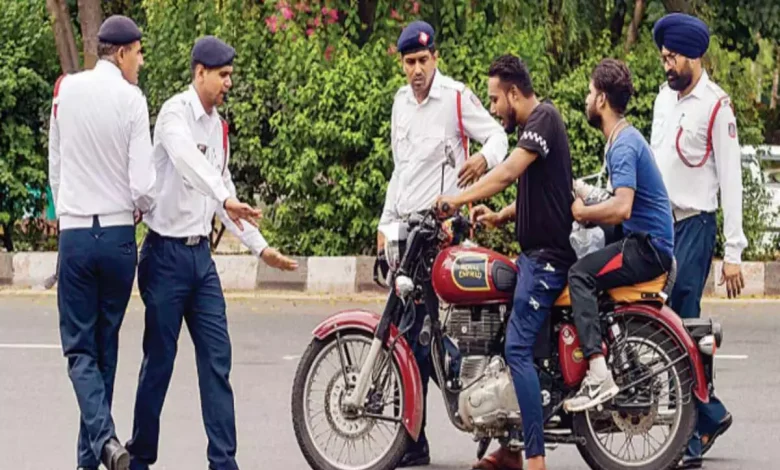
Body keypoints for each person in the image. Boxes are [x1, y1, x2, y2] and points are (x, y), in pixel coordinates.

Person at [124, 36, 298, 470]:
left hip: (201, 261)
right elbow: (188, 163)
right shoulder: (173, 114)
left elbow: (227, 194)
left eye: (230, 76)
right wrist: (223, 195)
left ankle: (224, 462)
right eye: (223, 75)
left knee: (217, 362)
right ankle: (140, 456)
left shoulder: (218, 125)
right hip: (164, 257)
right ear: (199, 72)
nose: (228, 83)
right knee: (159, 363)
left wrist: (261, 249)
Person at [435, 54, 576, 470]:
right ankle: (510, 447)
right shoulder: (538, 127)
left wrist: (457, 199)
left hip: (547, 261)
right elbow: (542, 189)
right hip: (534, 257)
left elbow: (509, 171)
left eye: (496, 99)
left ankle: (532, 459)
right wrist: (499, 215)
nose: (494, 108)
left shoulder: (543, 119)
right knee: (504, 341)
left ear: (514, 93)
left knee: (516, 349)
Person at [380, 20, 509, 467]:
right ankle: (424, 432)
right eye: (409, 62)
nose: (416, 69)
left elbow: (499, 136)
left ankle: (422, 435)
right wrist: (385, 222)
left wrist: (481, 158)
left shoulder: (455, 97)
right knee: (410, 335)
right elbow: (400, 171)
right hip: (406, 235)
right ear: (402, 64)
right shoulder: (400, 104)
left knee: (421, 336)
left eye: (423, 60)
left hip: (441, 233)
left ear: (435, 57)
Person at [48, 14, 155, 470]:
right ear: (123, 52)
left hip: (75, 233)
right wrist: (137, 209)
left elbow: (55, 162)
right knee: (104, 348)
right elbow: (144, 185)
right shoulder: (133, 101)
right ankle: (96, 457)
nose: (141, 61)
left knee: (78, 349)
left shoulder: (66, 90)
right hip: (116, 236)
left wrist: (66, 207)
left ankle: (103, 445)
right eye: (139, 53)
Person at [649, 13, 746, 469]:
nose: (667, 67)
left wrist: (733, 253)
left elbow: (732, 180)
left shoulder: (717, 106)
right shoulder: (662, 101)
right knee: (663, 325)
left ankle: (690, 432)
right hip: (659, 226)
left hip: (694, 225)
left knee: (680, 326)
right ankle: (709, 413)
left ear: (695, 56)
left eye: (673, 59)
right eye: (664, 58)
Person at [561, 59, 675, 413]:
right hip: (642, 239)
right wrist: (573, 188)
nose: (586, 98)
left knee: (579, 276)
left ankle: (597, 371)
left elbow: (622, 207)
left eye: (590, 91)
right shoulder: (621, 139)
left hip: (646, 247)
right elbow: (612, 200)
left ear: (602, 100)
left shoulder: (624, 145)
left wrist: (583, 212)